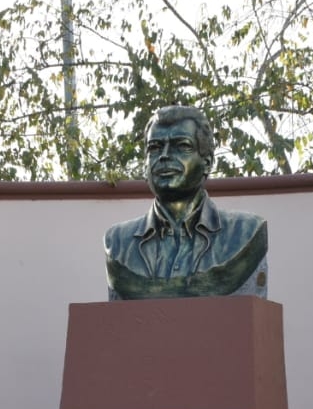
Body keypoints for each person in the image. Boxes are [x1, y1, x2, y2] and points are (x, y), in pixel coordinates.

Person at [104, 105, 268, 300]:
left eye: (181, 145)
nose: (164, 155)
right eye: (154, 147)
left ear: (207, 162)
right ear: (145, 165)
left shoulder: (245, 233)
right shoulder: (118, 242)